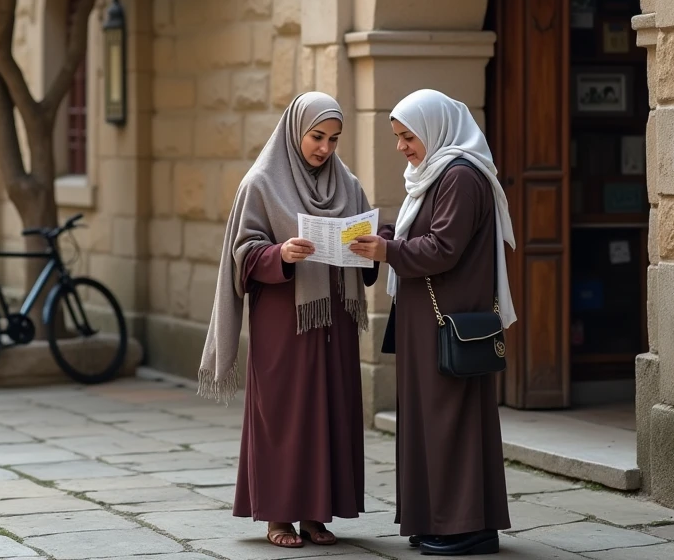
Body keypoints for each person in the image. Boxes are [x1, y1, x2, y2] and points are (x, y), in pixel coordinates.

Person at [198, 92, 378, 549]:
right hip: (283, 319)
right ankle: (278, 516)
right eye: (317, 136)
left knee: (330, 411)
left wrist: (369, 246)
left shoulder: (348, 184)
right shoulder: (260, 183)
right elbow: (242, 254)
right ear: (295, 129)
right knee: (284, 414)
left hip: (333, 319)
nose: (325, 148)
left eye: (334, 139)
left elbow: (365, 246)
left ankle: (317, 515)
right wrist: (281, 253)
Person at [350, 90, 515, 556]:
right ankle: (436, 520)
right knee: (430, 422)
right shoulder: (434, 174)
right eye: (398, 137)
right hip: (429, 320)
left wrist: (388, 251)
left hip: (449, 320)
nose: (401, 147)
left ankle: (467, 527)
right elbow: (421, 236)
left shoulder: (460, 176)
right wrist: (383, 239)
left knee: (451, 422)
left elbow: (444, 248)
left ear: (436, 129)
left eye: (408, 137)